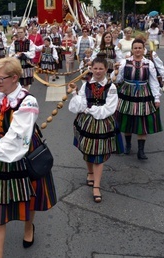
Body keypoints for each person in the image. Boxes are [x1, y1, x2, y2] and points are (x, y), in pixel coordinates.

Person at [0, 57, 57, 258]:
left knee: (29, 197)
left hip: (22, 151)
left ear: (15, 77)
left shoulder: (28, 102)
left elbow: (15, 137)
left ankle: (28, 228)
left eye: (0, 78)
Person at [68, 52, 119, 203]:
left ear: (106, 69)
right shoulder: (86, 85)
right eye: (95, 68)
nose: (97, 71)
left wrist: (89, 109)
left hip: (102, 123)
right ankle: (90, 172)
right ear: (91, 69)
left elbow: (108, 109)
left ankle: (96, 186)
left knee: (99, 154)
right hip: (86, 123)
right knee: (87, 149)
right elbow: (80, 104)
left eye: (100, 69)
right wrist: (74, 94)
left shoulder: (111, 87)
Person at [113, 39, 162, 159]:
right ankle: (128, 145)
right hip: (127, 92)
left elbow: (154, 81)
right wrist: (115, 72)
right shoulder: (124, 62)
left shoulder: (149, 63)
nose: (138, 50)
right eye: (135, 48)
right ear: (132, 49)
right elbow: (118, 79)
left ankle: (141, 150)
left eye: (140, 48)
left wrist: (156, 98)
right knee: (127, 120)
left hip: (143, 93)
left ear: (143, 49)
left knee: (142, 122)